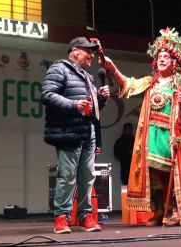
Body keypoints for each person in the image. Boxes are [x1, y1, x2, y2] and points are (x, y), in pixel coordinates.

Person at [102, 27, 181, 226]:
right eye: (160, 56)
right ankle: (158, 210)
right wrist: (112, 68)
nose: (162, 59)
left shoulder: (180, 83)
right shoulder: (150, 82)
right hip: (151, 136)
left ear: (174, 63)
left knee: (171, 174)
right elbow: (127, 85)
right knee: (153, 174)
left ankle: (175, 211)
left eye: (167, 57)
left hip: (171, 136)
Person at [42, 37, 110, 234]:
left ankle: (84, 216)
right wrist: (74, 105)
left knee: (87, 176)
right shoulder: (59, 69)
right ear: (75, 51)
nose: (92, 55)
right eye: (88, 51)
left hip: (88, 132)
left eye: (92, 52)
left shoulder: (87, 76)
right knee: (67, 177)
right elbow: (47, 95)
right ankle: (62, 217)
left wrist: (101, 100)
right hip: (69, 132)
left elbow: (90, 108)